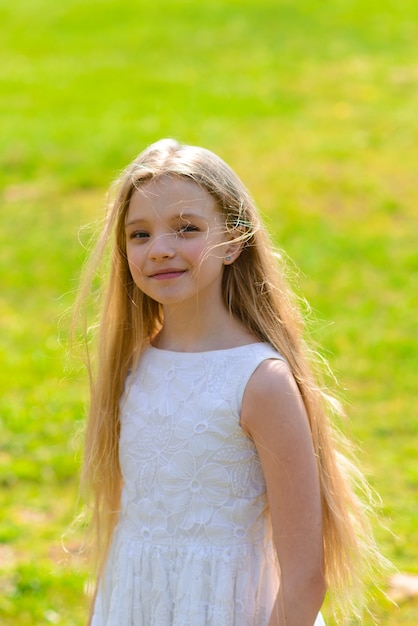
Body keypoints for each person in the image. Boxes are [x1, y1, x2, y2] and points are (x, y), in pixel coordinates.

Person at [74, 139, 384, 625]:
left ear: (235, 239)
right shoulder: (132, 365)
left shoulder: (259, 381)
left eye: (187, 229)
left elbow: (305, 580)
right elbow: (125, 538)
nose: (160, 249)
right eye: (140, 234)